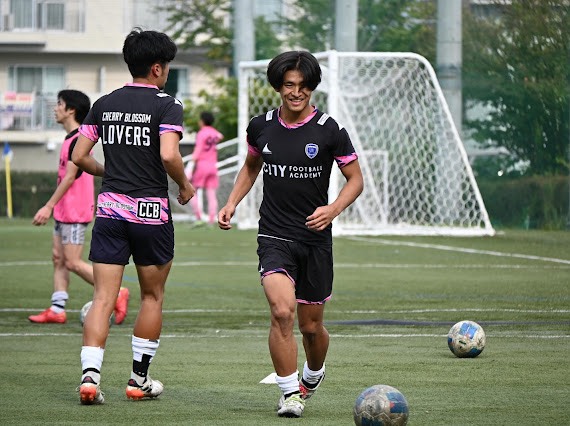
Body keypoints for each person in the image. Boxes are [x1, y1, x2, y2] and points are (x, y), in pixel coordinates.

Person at [218, 51, 364, 418]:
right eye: (289, 85)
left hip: (315, 240)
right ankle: (289, 394)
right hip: (274, 235)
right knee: (282, 311)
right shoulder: (261, 126)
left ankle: (313, 373)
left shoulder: (329, 130)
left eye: (303, 86)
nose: (296, 92)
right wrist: (232, 202)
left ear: (312, 88)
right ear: (278, 87)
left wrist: (333, 209)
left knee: (311, 327)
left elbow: (355, 180)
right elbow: (251, 167)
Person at [72, 28, 194, 405]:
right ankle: (138, 380)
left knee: (102, 297)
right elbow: (169, 155)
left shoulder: (104, 103)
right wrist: (185, 185)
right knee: (152, 296)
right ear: (157, 68)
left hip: (110, 209)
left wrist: (107, 171)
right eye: (167, 66)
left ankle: (90, 379)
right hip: (150, 212)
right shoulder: (167, 105)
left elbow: (78, 156)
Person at [28, 90, 130, 326]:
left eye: (59, 104)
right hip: (64, 210)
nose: (55, 108)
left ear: (71, 110)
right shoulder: (69, 138)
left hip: (75, 210)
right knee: (58, 258)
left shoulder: (79, 139)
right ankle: (57, 309)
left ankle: (119, 292)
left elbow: (70, 176)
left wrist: (48, 206)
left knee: (72, 261)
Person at [188, 111, 223, 226]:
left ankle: (198, 217)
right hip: (213, 166)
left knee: (192, 190)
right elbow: (220, 136)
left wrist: (191, 164)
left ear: (202, 121)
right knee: (211, 194)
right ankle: (212, 220)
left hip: (202, 165)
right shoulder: (214, 133)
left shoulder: (202, 133)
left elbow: (198, 149)